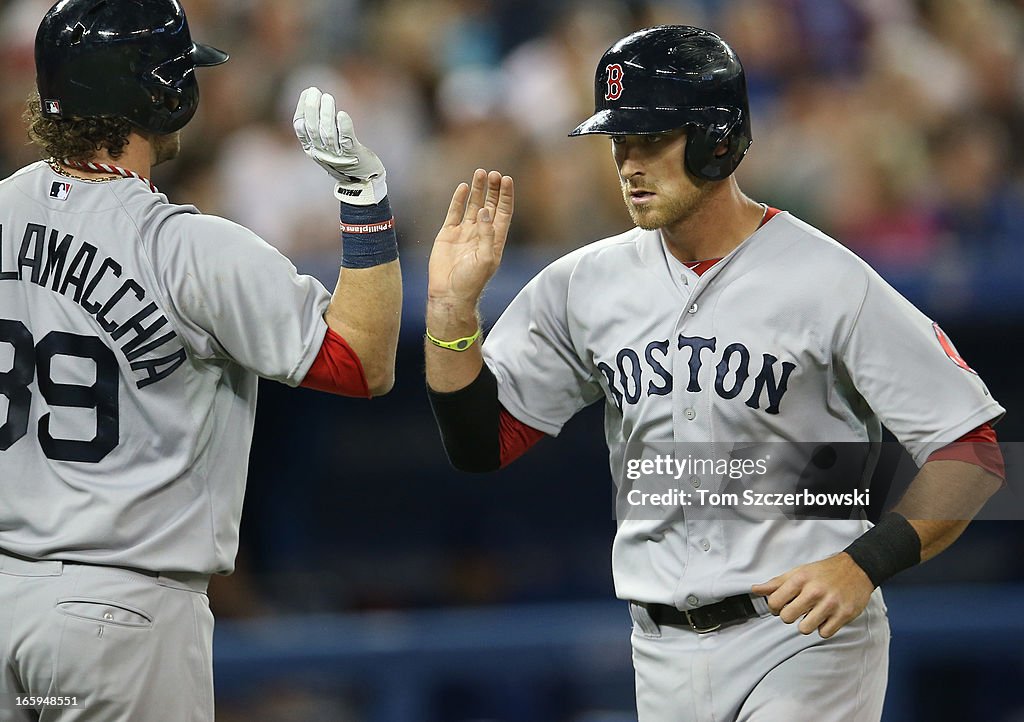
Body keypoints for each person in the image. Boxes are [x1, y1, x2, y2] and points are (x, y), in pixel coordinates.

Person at [424, 25, 1006, 721]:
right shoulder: (583, 284)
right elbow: (480, 444)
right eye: (620, 142)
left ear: (717, 139)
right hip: (660, 650)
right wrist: (452, 313)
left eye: (651, 140)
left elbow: (973, 453)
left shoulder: (827, 278)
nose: (628, 164)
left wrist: (864, 563)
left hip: (803, 641)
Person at [0, 0, 400, 719]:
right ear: (164, 94)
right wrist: (364, 200)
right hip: (119, 616)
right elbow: (362, 360)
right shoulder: (188, 248)